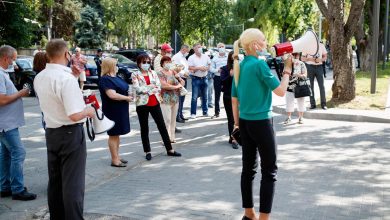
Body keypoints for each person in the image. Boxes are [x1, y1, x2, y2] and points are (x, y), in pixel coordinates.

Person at [231, 29, 292, 220]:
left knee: (248, 170)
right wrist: (288, 70)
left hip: (245, 123)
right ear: (254, 45)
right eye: (263, 40)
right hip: (262, 123)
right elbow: (281, 91)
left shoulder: (240, 65)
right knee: (270, 171)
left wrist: (236, 125)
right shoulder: (260, 65)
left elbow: (234, 100)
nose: (267, 43)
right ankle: (264, 218)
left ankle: (249, 214)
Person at [34, 39, 95, 220]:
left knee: (56, 182)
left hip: (51, 131)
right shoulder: (65, 79)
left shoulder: (40, 77)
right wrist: (89, 111)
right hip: (70, 133)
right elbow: (75, 114)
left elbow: (56, 98)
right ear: (66, 54)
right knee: (73, 185)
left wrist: (74, 76)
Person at [0, 45, 36, 201]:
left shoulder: (3, 73)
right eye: (13, 59)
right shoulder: (0, 75)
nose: (14, 63)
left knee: (6, 154)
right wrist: (21, 93)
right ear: (5, 58)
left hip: (7, 122)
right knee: (19, 152)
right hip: (5, 124)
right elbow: (2, 100)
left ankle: (5, 187)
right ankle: (17, 189)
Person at [131, 54, 181, 161]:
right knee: (144, 128)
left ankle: (170, 149)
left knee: (162, 126)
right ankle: (147, 151)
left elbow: (158, 87)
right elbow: (137, 89)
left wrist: (147, 88)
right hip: (142, 104)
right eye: (144, 62)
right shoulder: (135, 74)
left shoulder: (153, 73)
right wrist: (150, 87)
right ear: (139, 63)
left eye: (148, 62)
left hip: (155, 102)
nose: (146, 64)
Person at [99, 58, 132, 167]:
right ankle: (114, 159)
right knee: (113, 135)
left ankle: (117, 156)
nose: (118, 66)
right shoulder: (105, 79)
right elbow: (112, 95)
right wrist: (127, 98)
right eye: (116, 64)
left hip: (121, 109)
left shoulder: (116, 77)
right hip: (113, 110)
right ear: (110, 66)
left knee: (117, 135)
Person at [158, 56, 185, 143]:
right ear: (162, 64)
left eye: (169, 62)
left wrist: (179, 78)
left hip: (175, 98)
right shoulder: (160, 73)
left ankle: (172, 137)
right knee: (167, 120)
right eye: (166, 62)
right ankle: (165, 139)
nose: (168, 64)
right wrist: (176, 86)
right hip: (165, 99)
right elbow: (164, 85)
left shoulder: (173, 72)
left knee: (173, 119)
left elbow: (182, 83)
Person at [220, 51, 239, 149]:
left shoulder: (241, 68)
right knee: (231, 118)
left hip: (240, 96)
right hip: (228, 96)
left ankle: (237, 137)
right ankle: (232, 137)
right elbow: (222, 81)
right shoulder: (224, 69)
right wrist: (230, 75)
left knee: (240, 117)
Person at [283, 52, 308, 125]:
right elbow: (284, 74)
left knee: (301, 102)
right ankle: (289, 117)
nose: (294, 56)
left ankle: (301, 117)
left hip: (299, 86)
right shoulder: (287, 64)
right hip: (289, 86)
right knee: (289, 102)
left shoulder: (301, 64)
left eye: (296, 55)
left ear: (298, 56)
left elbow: (305, 75)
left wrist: (298, 75)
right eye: (292, 55)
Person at [302, 42, 327, 110]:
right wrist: (310, 59)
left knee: (321, 86)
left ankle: (323, 104)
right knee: (310, 86)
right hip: (309, 67)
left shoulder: (321, 45)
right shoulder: (307, 46)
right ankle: (312, 104)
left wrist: (320, 60)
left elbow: (325, 56)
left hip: (319, 67)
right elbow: (302, 58)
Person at [188, 43, 211, 119]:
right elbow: (190, 68)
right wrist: (199, 68)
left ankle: (205, 111)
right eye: (198, 47)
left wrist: (206, 68)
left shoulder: (205, 56)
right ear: (194, 49)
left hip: (204, 78)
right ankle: (193, 113)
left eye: (200, 47)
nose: (200, 48)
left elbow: (209, 64)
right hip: (196, 78)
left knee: (205, 96)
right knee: (194, 97)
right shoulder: (191, 58)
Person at [172, 44, 190, 123]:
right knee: (179, 98)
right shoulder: (177, 57)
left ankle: (180, 114)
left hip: (183, 78)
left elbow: (185, 67)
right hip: (179, 78)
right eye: (187, 51)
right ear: (183, 49)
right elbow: (175, 68)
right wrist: (183, 73)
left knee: (182, 98)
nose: (187, 52)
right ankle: (177, 116)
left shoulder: (183, 57)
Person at [210, 42, 228, 118]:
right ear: (217, 49)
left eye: (222, 46)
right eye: (220, 47)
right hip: (217, 77)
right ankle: (217, 112)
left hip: (227, 78)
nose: (221, 48)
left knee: (227, 95)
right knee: (217, 95)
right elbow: (211, 69)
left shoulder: (228, 56)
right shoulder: (215, 58)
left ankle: (228, 111)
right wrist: (217, 70)